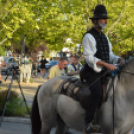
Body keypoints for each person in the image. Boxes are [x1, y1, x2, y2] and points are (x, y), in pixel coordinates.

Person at [82, 5, 125, 132]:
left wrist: (117, 59)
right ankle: (89, 122)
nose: (105, 21)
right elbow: (89, 58)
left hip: (105, 72)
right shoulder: (88, 36)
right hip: (92, 72)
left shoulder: (105, 37)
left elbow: (109, 55)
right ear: (95, 21)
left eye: (106, 19)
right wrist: (106, 65)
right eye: (102, 19)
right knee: (97, 93)